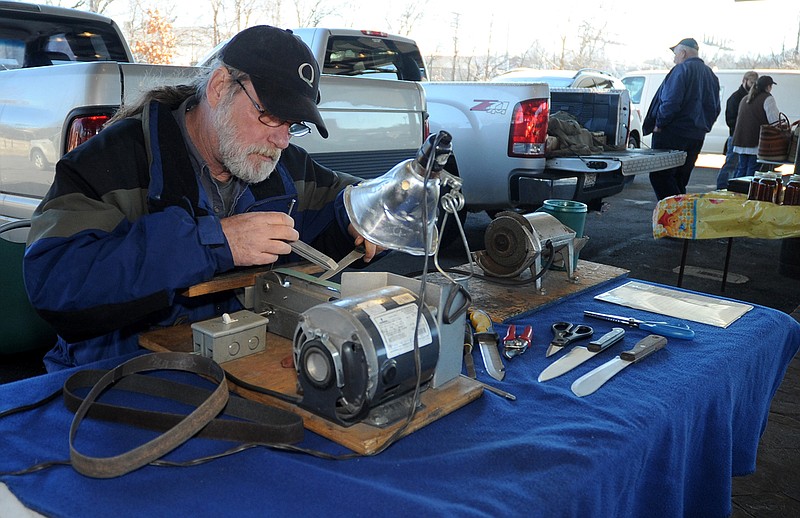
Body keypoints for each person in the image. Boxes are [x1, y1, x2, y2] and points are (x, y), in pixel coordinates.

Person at [23, 25, 384, 371]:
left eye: (293, 125)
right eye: (271, 116)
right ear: (219, 87)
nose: (282, 140)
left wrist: (360, 218)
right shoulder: (112, 161)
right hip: (113, 378)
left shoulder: (288, 168)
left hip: (234, 370)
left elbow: (344, 203)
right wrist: (213, 243)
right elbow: (54, 282)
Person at [643, 37, 721, 200]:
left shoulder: (681, 70)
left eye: (676, 53)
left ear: (683, 52)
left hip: (672, 134)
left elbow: (671, 101)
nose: (674, 58)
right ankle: (680, 219)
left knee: (661, 176)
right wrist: (703, 127)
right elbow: (715, 108)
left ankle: (673, 217)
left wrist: (659, 124)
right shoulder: (711, 75)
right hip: (696, 136)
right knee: (680, 179)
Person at [732, 75, 780, 179]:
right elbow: (775, 121)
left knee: (741, 170)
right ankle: (746, 193)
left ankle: (736, 192)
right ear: (768, 87)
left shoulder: (745, 98)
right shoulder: (768, 98)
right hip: (756, 142)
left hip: (740, 140)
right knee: (751, 173)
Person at [716, 71, 758, 189]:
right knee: (731, 164)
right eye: (751, 82)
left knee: (740, 166)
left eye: (755, 82)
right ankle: (721, 187)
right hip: (736, 136)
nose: (753, 85)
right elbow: (730, 119)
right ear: (744, 81)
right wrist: (739, 130)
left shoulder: (752, 98)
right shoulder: (735, 98)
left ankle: (733, 188)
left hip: (744, 137)